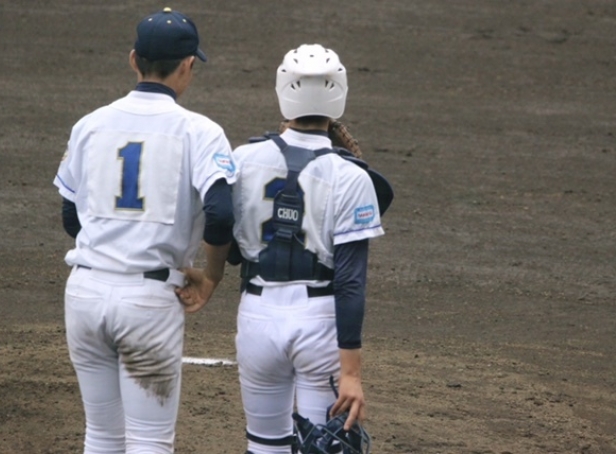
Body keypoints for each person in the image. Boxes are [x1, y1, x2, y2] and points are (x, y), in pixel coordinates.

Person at [52, 8, 236, 453]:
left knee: (101, 435)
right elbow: (221, 214)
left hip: (85, 295)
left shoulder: (90, 124)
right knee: (150, 440)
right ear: (188, 66)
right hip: (148, 304)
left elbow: (71, 216)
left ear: (134, 60)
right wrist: (211, 277)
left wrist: (114, 246)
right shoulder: (200, 132)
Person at [229, 44, 386, 454]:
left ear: (283, 90)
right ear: (339, 94)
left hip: (256, 318)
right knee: (326, 445)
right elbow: (350, 282)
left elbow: (225, 241)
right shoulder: (351, 176)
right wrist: (351, 373)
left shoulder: (242, 159)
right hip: (319, 324)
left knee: (264, 446)